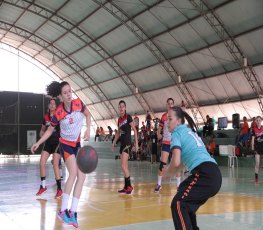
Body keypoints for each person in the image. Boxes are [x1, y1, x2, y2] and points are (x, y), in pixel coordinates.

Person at [31, 81, 91, 228]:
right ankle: (63, 210)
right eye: (65, 93)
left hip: (77, 144)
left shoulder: (78, 104)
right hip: (65, 145)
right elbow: (50, 130)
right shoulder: (58, 112)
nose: (69, 94)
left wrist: (88, 130)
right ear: (60, 96)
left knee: (82, 177)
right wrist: (38, 143)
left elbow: (88, 115)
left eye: (70, 91)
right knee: (73, 174)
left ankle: (73, 212)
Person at [164, 106, 222, 230]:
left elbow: (176, 162)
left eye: (169, 119)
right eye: (166, 119)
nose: (167, 122)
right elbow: (180, 164)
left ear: (178, 121)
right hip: (213, 173)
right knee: (184, 192)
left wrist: (167, 173)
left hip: (204, 174)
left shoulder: (177, 133)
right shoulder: (189, 131)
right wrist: (172, 169)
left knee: (179, 203)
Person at [35, 98, 62, 199]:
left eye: (54, 104)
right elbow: (42, 130)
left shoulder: (58, 115)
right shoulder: (46, 117)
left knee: (55, 164)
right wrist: (41, 134)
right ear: (48, 106)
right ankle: (43, 186)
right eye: (50, 103)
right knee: (41, 162)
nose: (52, 105)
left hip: (57, 143)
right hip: (48, 143)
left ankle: (59, 189)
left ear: (56, 106)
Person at [154, 98, 181, 193]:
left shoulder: (176, 116)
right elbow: (160, 128)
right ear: (166, 105)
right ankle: (159, 184)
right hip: (165, 143)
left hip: (174, 143)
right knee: (162, 164)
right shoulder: (164, 116)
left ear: (173, 105)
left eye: (171, 103)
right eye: (168, 104)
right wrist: (158, 134)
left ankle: (178, 185)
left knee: (176, 164)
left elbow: (180, 128)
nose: (170, 105)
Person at [112, 100, 138, 194]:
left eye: (123, 106)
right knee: (124, 166)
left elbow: (134, 130)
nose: (121, 108)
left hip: (127, 144)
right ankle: (126, 186)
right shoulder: (119, 119)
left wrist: (136, 144)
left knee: (123, 165)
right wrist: (114, 142)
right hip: (122, 144)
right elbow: (118, 133)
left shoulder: (128, 117)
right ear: (118, 108)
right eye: (120, 106)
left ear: (125, 108)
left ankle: (130, 186)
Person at [251, 116, 263, 184]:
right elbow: (253, 139)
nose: (258, 121)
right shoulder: (254, 129)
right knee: (257, 163)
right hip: (257, 148)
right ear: (256, 121)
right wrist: (252, 148)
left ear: (261, 121)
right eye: (257, 120)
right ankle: (256, 179)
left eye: (259, 120)